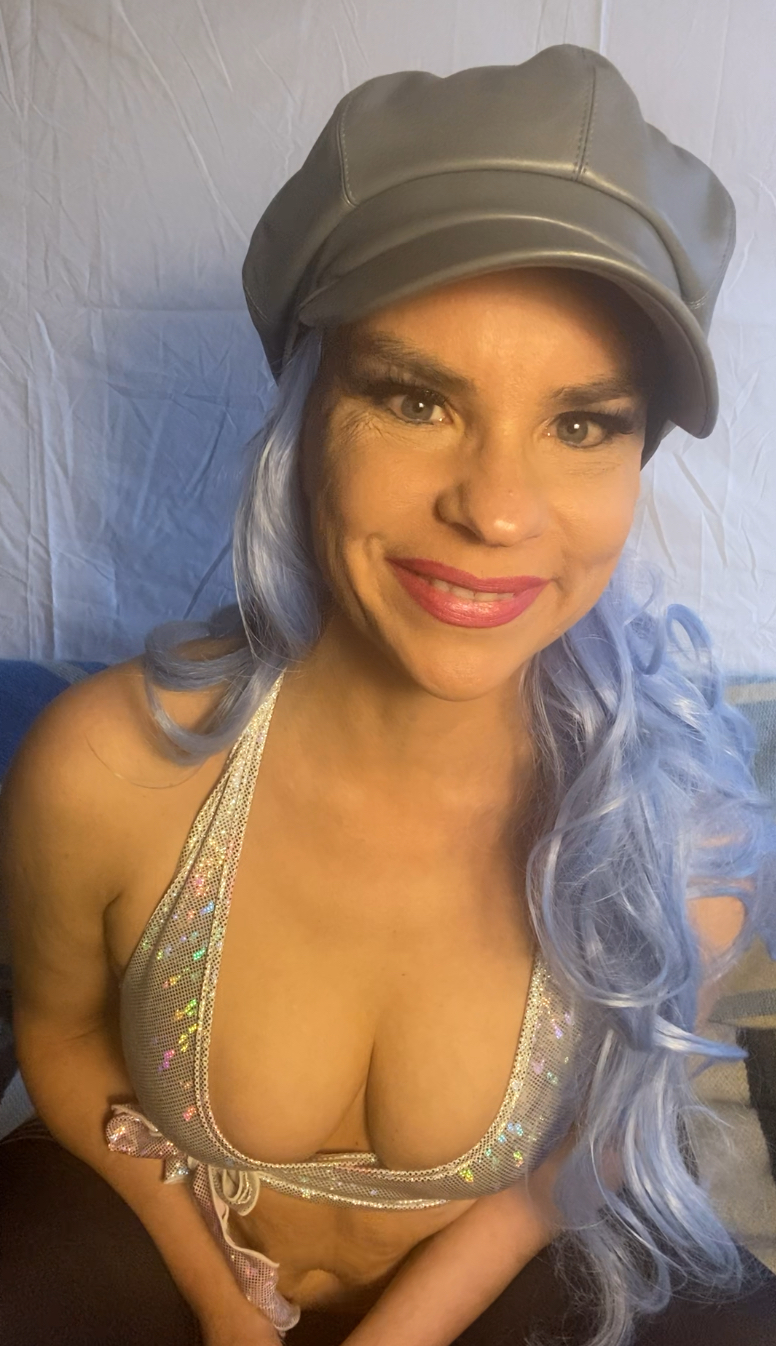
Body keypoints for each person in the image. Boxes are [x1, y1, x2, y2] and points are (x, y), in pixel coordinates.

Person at [1, 43, 775, 1346]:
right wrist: (223, 1304)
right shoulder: (111, 765)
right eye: (416, 398)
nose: (497, 509)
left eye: (582, 422)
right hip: (154, 1251)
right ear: (308, 412)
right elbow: (63, 1038)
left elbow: (573, 1157)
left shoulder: (674, 835)